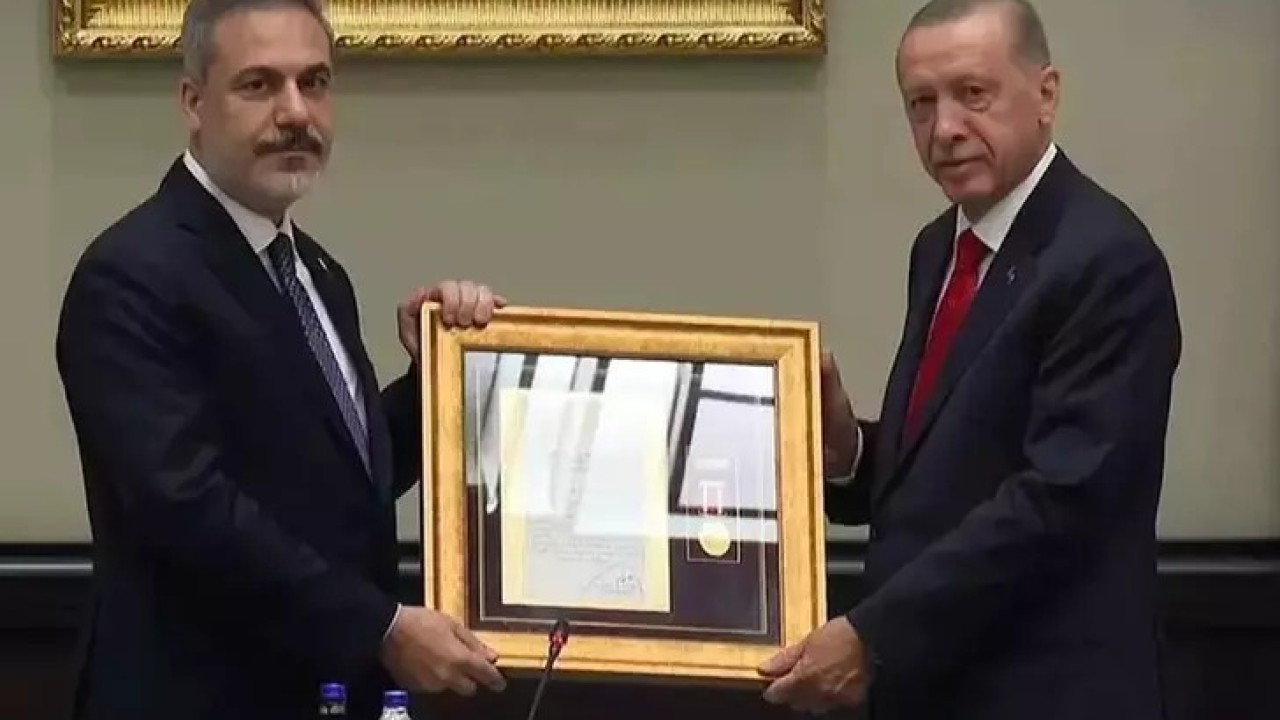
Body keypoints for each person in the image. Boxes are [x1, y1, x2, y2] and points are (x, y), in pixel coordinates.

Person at [54, 1, 509, 718]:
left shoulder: (317, 273)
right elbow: (187, 506)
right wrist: (381, 628)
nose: (296, 112)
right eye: (259, 84)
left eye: (314, 82)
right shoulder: (131, 275)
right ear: (193, 102)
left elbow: (333, 480)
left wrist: (444, 372)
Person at [757, 1, 1181, 718]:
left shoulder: (1107, 260)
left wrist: (873, 637)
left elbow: (1060, 500)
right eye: (920, 103)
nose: (945, 128)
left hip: (1047, 694)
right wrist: (848, 452)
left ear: (1046, 95)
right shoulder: (939, 249)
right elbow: (955, 470)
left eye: (972, 94)